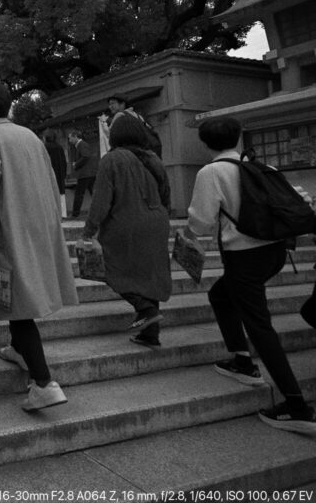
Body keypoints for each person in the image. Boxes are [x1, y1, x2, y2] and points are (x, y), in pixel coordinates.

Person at [187, 116, 316, 434]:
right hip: (275, 253)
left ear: (205, 143)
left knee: (259, 326)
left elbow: (201, 222)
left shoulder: (212, 171)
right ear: (239, 138)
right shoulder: (263, 168)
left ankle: (296, 406)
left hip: (243, 256)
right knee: (220, 295)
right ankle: (241, 360)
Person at [0, 82, 79, 411]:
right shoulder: (31, 136)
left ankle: (43, 382)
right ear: (9, 108)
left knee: (18, 304)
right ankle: (17, 350)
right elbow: (49, 181)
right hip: (40, 225)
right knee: (19, 297)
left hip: (10, 227)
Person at [80, 115, 172, 349]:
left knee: (112, 268)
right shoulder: (153, 159)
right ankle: (151, 333)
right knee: (148, 275)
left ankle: (145, 309)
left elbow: (101, 200)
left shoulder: (112, 160)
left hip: (126, 221)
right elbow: (166, 195)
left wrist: (89, 231)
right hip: (157, 222)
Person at [67, 129, 97, 218]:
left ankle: (75, 214)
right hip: (90, 173)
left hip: (85, 174)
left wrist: (76, 164)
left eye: (70, 138)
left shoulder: (81, 144)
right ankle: (98, 213)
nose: (69, 140)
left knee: (79, 194)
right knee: (93, 194)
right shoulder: (81, 145)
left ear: (75, 136)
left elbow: (85, 156)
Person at [44, 132, 68, 217]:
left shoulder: (45, 147)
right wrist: (64, 173)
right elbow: (64, 162)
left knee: (50, 193)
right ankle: (63, 214)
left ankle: (52, 214)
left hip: (48, 174)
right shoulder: (59, 147)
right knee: (61, 193)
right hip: (60, 173)